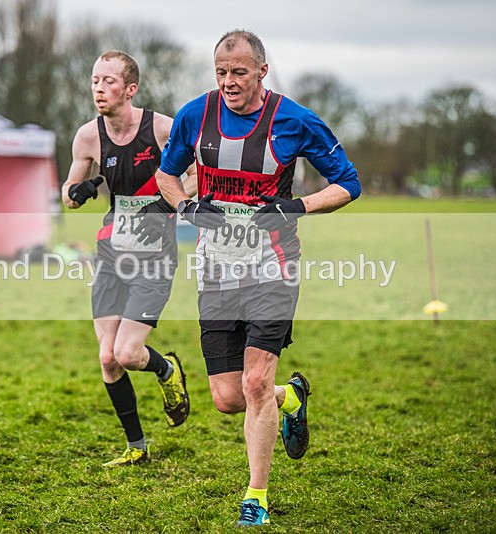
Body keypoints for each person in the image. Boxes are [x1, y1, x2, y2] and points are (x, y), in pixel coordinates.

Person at [152, 30, 362, 526]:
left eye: (239, 72)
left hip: (274, 266)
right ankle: (292, 398)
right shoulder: (193, 116)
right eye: (221, 72)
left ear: (261, 72)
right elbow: (166, 174)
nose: (228, 82)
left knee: (253, 381)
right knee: (228, 398)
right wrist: (185, 205)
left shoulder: (294, 119)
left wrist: (295, 206)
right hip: (216, 270)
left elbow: (348, 183)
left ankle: (256, 496)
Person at [61, 50, 197, 467]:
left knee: (127, 353)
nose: (99, 89)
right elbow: (68, 194)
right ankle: (136, 448)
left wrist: (170, 199)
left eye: (108, 81)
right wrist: (76, 193)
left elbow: (198, 173)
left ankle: (166, 370)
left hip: (154, 258)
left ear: (130, 89)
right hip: (111, 255)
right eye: (95, 80)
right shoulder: (87, 136)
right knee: (107, 357)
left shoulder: (161, 129)